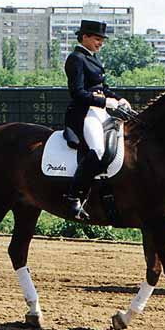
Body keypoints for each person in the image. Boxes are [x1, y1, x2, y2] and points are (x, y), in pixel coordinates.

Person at [62, 20, 131, 220]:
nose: (100, 43)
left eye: (102, 40)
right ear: (84, 37)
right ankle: (73, 197)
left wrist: (119, 99)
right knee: (98, 150)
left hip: (100, 111)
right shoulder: (75, 59)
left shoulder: (93, 59)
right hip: (84, 113)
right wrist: (105, 101)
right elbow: (78, 93)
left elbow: (102, 87)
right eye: (97, 39)